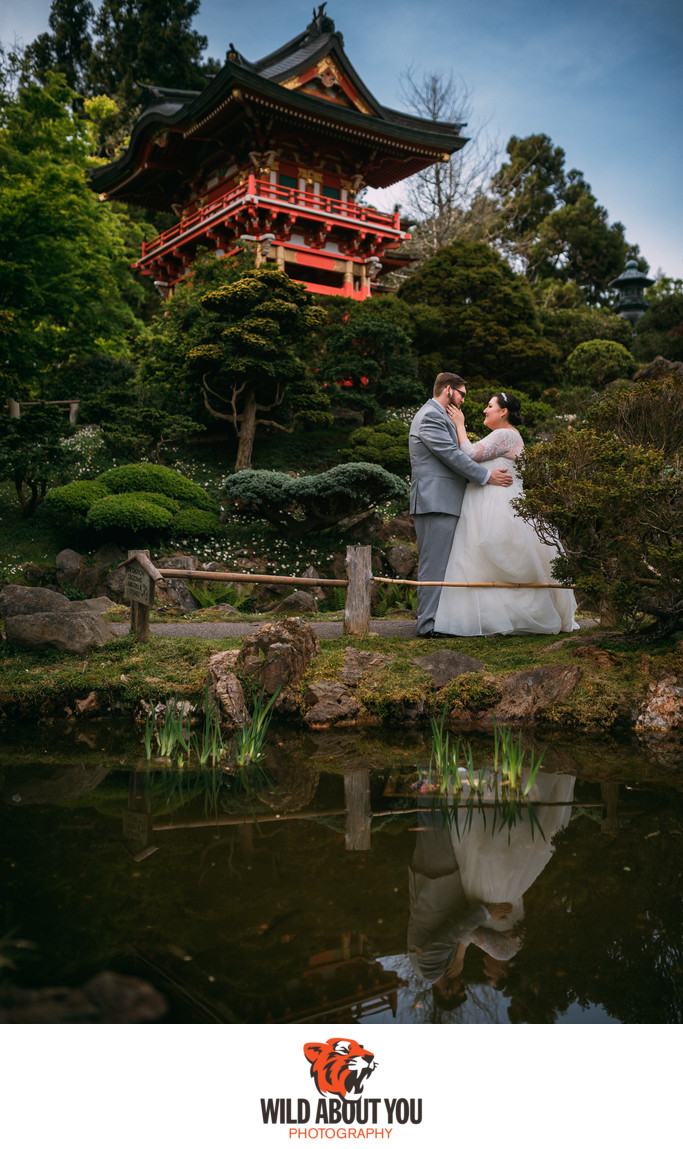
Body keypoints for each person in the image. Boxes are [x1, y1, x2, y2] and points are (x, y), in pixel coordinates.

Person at [433, 390, 578, 636]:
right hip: (483, 503)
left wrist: (460, 424)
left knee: (498, 555)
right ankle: (490, 618)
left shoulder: (505, 434)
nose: (484, 410)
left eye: (490, 406)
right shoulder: (499, 435)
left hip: (499, 505)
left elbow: (469, 454)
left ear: (503, 412)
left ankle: (518, 616)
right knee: (478, 560)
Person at [409, 373, 513, 638]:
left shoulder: (439, 416)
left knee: (440, 564)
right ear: (448, 390)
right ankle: (427, 626)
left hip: (443, 500)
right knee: (433, 566)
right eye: (462, 394)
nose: (464, 400)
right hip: (435, 500)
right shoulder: (431, 416)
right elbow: (450, 455)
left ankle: (434, 620)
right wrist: (487, 476)